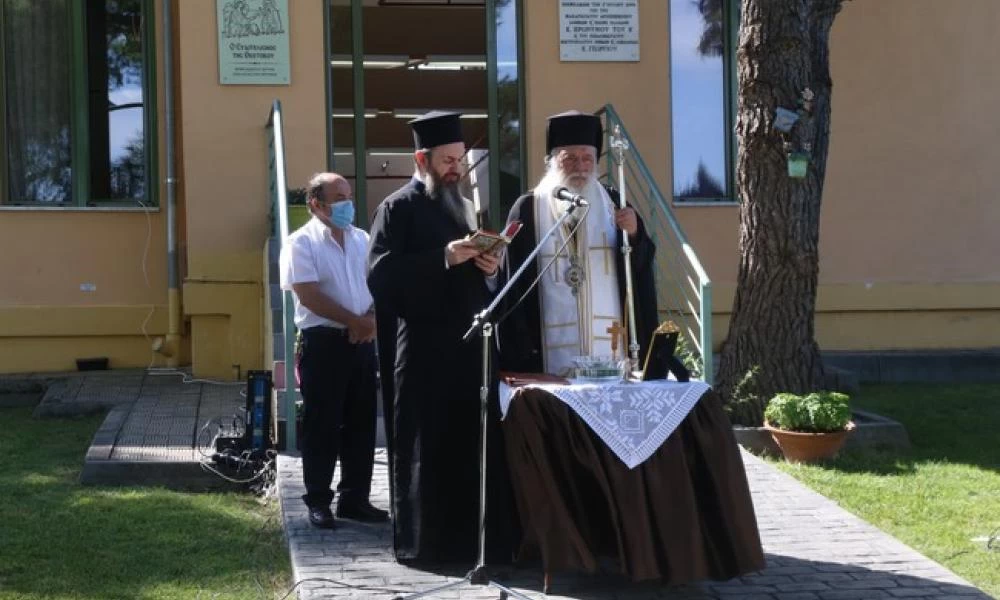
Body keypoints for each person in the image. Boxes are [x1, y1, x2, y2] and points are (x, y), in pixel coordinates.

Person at [367, 111, 516, 565]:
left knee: (469, 447)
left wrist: (489, 270)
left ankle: (473, 541)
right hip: (424, 353)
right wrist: (443, 258)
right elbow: (381, 276)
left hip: (470, 349)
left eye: (460, 160)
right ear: (422, 158)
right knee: (427, 450)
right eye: (448, 160)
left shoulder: (463, 208)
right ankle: (427, 545)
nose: (456, 169)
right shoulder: (396, 209)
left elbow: (478, 280)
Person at [499, 110, 659, 375]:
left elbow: (639, 269)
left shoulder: (613, 204)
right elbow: (512, 282)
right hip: (545, 354)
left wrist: (634, 234)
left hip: (609, 351)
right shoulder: (528, 208)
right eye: (570, 159)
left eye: (587, 159)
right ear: (552, 161)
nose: (580, 167)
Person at [279, 172, 389, 529]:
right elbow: (308, 294)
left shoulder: (361, 239)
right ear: (317, 204)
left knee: (361, 423)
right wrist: (353, 322)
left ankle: (354, 499)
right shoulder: (301, 243)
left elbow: (379, 282)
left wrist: (369, 320)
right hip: (324, 343)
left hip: (363, 342)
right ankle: (318, 501)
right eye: (339, 197)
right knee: (322, 424)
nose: (347, 204)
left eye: (348, 195)